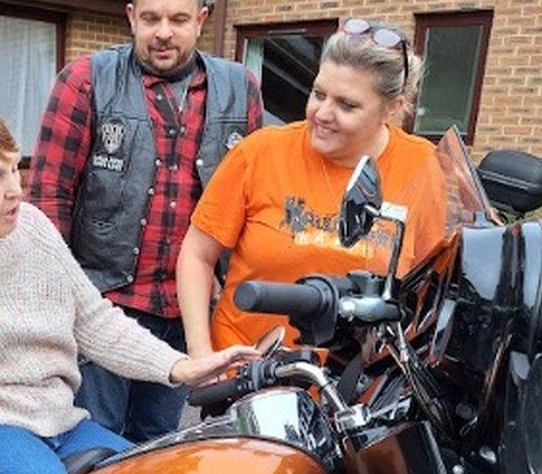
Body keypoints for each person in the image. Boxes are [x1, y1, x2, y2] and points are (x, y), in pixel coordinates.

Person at [0, 96, 260, 474]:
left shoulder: (31, 226)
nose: (15, 188)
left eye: (13, 168)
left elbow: (91, 318)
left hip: (55, 418)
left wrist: (178, 366)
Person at [27, 0, 263, 442]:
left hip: (184, 313)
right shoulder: (86, 81)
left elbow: (250, 204)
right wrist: (60, 303)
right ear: (131, 16)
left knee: (160, 444)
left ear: (201, 19)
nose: (163, 33)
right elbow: (48, 199)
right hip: (102, 307)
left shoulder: (240, 90)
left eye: (178, 19)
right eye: (151, 18)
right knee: (94, 443)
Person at [177, 18, 442, 355]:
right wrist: (202, 357)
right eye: (319, 94)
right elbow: (197, 256)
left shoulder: (423, 166)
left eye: (347, 105)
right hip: (250, 376)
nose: (322, 113)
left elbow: (433, 287)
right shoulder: (260, 152)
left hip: (359, 391)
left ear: (392, 109)